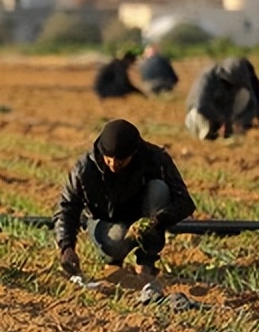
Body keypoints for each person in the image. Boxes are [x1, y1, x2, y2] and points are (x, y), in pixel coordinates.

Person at [54, 119, 196, 282]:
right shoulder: (85, 168)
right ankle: (113, 261)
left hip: (142, 216)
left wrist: (156, 221)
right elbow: (67, 207)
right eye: (109, 159)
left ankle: (146, 262)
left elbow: (185, 202)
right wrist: (67, 247)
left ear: (133, 153)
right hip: (105, 221)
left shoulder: (155, 158)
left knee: (159, 190)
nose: (113, 164)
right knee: (116, 240)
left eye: (120, 160)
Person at [184, 57, 259, 140]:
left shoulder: (241, 79)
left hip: (219, 110)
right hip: (203, 110)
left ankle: (235, 126)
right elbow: (200, 104)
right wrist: (220, 119)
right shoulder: (207, 78)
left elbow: (255, 103)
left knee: (244, 96)